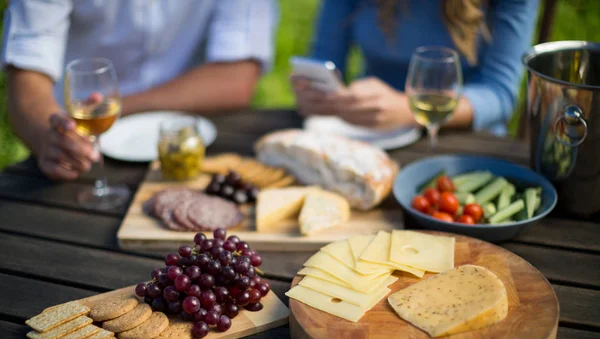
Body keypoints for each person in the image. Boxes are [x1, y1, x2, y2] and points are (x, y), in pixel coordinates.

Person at [2, 0, 276, 180]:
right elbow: (26, 73)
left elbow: (237, 79)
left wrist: (113, 108)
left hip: (188, 144)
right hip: (79, 158)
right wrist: (48, 136)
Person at [293, 0, 539, 136]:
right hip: (367, 134)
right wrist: (317, 90)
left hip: (463, 140)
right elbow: (325, 57)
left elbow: (499, 94)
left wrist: (410, 109)